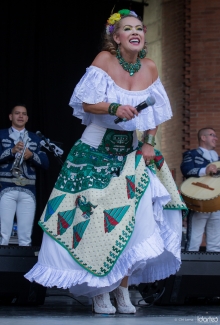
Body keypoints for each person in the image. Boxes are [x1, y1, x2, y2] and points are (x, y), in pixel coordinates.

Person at [25, 9, 186, 314]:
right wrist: (115, 106)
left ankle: (123, 290)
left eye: (139, 27)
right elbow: (86, 102)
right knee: (94, 224)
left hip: (130, 153)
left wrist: (149, 143)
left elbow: (156, 114)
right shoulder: (104, 61)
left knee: (133, 222)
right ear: (116, 37)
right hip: (94, 151)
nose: (136, 32)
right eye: (128, 28)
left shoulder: (149, 67)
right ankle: (100, 291)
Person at [0, 104, 49, 246]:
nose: (20, 116)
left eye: (23, 114)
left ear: (27, 118)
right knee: (4, 233)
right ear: (11, 117)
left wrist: (32, 155)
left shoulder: (36, 138)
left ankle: (24, 266)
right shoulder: (2, 134)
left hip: (28, 189)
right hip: (5, 187)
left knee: (26, 235)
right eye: (17, 113)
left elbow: (46, 164)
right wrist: (12, 151)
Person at [180, 127, 220, 252]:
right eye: (212, 135)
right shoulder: (191, 154)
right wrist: (204, 170)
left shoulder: (218, 159)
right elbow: (186, 170)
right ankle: (189, 271)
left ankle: (214, 271)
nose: (216, 138)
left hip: (216, 203)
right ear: (203, 138)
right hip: (199, 201)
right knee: (194, 241)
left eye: (215, 136)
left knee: (216, 243)